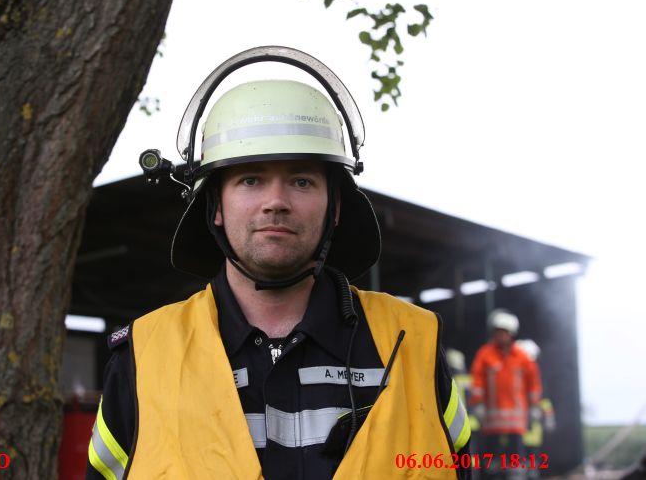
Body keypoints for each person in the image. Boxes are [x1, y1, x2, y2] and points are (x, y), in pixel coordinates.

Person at [86, 46, 472, 479]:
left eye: (302, 180)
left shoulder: (414, 343)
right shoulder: (143, 356)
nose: (276, 202)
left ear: (336, 208)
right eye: (251, 179)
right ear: (214, 206)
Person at [470, 310, 542, 480]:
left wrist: (534, 408)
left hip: (516, 423)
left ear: (511, 334)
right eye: (497, 332)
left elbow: (533, 385)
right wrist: (478, 405)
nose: (499, 335)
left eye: (503, 332)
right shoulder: (485, 354)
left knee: (515, 461)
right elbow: (477, 382)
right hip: (491, 421)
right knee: (491, 461)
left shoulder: (523, 357)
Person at [515, 339, 555, 480]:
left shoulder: (535, 376)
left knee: (531, 463)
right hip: (516, 429)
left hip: (532, 429)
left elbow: (543, 398)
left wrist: (548, 416)